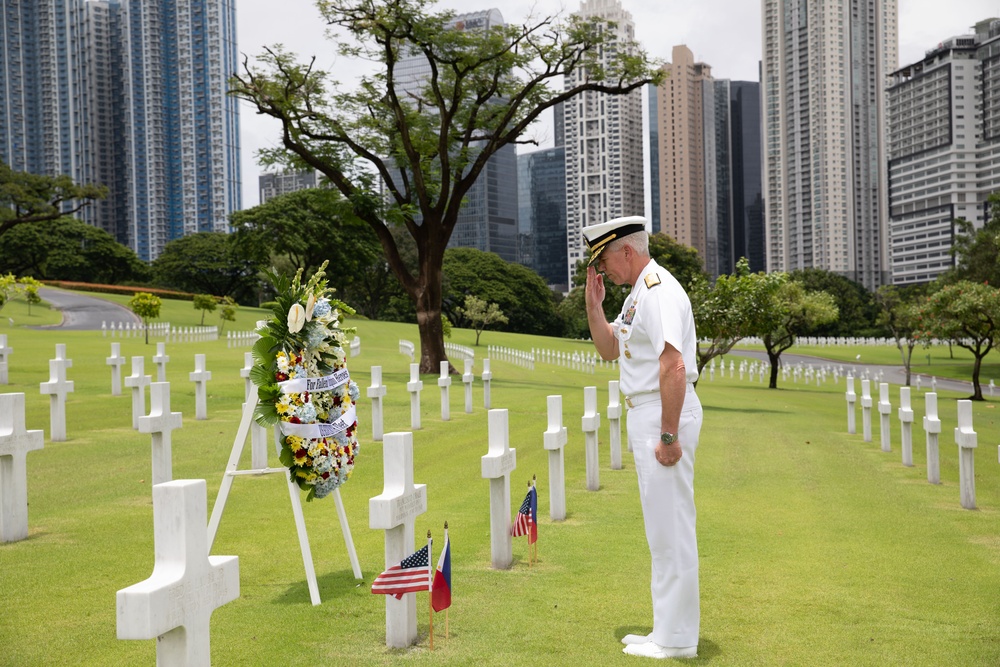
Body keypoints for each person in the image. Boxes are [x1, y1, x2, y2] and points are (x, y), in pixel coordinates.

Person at [583, 216, 703, 660]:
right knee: (661, 530)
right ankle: (664, 629)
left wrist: (669, 434)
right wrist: (595, 307)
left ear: (627, 252)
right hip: (650, 412)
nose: (604, 271)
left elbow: (672, 364)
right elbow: (611, 348)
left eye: (606, 261)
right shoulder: (636, 295)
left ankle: (676, 641)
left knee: (671, 529)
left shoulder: (657, 289)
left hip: (662, 414)